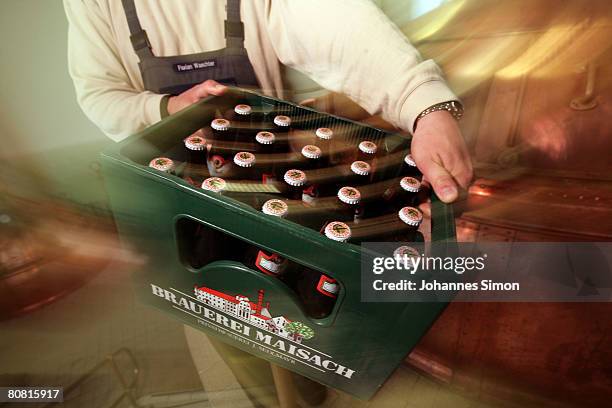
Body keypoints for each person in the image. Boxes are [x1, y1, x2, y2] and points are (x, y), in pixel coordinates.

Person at [64, 0, 473, 406]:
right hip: (176, 187)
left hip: (270, 179)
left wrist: (425, 103)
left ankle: (305, 379)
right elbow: (99, 93)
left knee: (291, 308)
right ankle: (264, 388)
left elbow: (334, 22)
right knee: (218, 306)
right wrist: (168, 108)